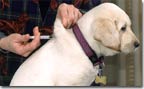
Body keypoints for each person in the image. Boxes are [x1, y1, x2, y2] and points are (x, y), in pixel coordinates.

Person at [0, 0, 101, 86]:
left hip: (76, 78)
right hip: (10, 74)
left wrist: (77, 16)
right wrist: (3, 41)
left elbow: (100, 21)